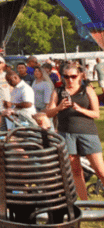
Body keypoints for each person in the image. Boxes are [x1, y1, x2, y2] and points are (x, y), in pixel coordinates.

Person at [46, 63, 104, 199]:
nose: (70, 80)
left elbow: (96, 114)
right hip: (66, 134)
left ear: (80, 76)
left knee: (100, 171)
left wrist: (80, 109)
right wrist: (59, 107)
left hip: (87, 133)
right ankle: (86, 204)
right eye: (66, 77)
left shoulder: (87, 90)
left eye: (73, 76)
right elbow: (48, 113)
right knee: (75, 171)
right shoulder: (58, 91)